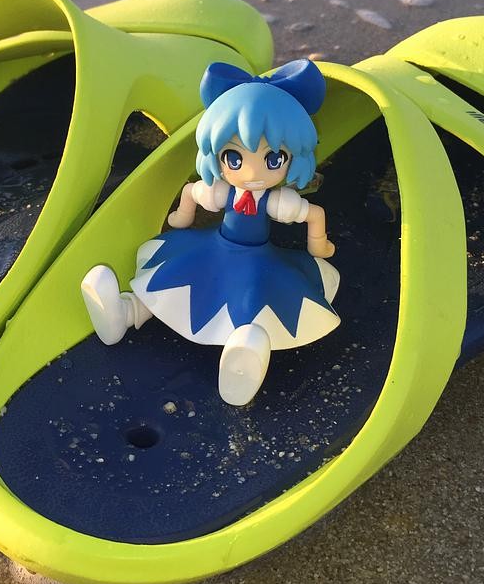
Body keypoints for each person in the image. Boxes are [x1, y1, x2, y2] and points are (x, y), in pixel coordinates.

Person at [81, 59, 340, 405]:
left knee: (252, 297)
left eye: (273, 159)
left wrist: (318, 246)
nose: (252, 174)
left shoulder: (277, 201)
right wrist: (182, 216)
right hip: (214, 249)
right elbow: (192, 191)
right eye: (234, 159)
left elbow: (313, 213)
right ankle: (123, 314)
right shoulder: (223, 192)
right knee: (172, 279)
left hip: (257, 260)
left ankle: (244, 354)